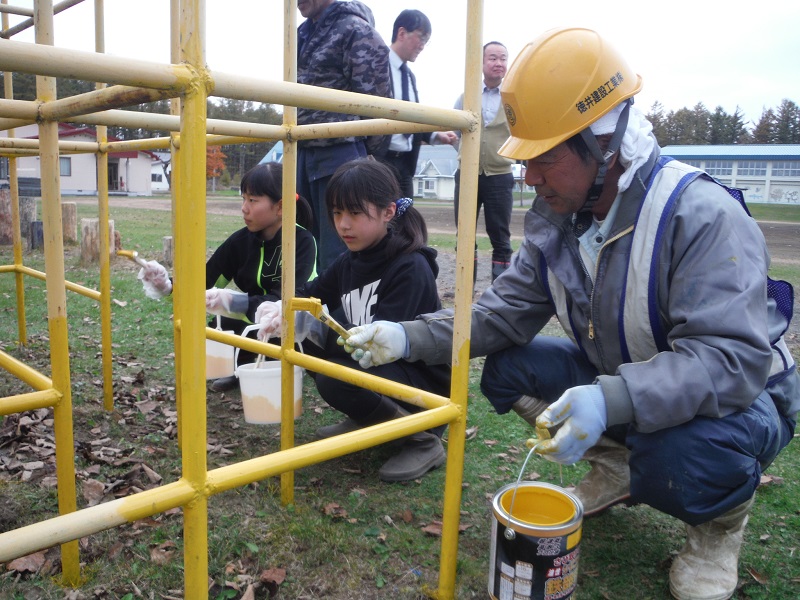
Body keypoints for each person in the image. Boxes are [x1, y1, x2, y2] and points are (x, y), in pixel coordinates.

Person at [340, 28, 799, 600]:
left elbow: (729, 360)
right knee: (508, 370)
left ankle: (717, 531)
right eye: (526, 160)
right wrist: (405, 337)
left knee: (680, 453)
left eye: (546, 158)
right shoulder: (559, 219)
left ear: (606, 143)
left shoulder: (698, 215)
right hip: (633, 383)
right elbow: (501, 315)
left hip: (743, 404)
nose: (529, 178)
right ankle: (616, 465)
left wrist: (611, 399)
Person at [255, 158, 449, 482]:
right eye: (336, 213)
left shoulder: (411, 268)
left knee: (336, 374)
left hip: (422, 383)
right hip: (374, 367)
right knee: (302, 343)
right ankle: (368, 419)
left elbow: (377, 346)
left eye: (355, 213)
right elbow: (311, 292)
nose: (343, 224)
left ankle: (423, 439)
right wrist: (280, 307)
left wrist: (314, 325)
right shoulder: (350, 260)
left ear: (388, 212)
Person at [138, 161, 318, 392]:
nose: (244, 208)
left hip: (290, 324)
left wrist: (233, 301)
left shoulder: (302, 242)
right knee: (219, 326)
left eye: (253, 200)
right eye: (243, 199)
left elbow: (285, 301)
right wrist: (167, 285)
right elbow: (205, 279)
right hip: (254, 318)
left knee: (259, 332)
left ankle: (278, 369)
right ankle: (238, 370)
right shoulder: (240, 241)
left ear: (280, 207)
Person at [296, 0, 391, 272]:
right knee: (301, 245)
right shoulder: (303, 34)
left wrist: (361, 153)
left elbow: (377, 104)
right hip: (302, 148)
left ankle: (341, 315)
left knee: (337, 249)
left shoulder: (355, 30)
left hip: (340, 151)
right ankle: (303, 311)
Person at [453, 41, 516, 284]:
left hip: (500, 175)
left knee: (500, 236)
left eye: (503, 58)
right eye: (492, 58)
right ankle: (464, 288)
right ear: (481, 63)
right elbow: (455, 130)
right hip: (467, 175)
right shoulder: (466, 96)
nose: (498, 63)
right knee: (464, 235)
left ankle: (499, 290)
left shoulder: (513, 98)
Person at [377, 9, 458, 197]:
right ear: (402, 33)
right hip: (380, 162)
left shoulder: (409, 76)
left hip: (405, 164)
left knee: (407, 222)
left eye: (426, 41)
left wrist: (434, 136)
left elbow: (410, 117)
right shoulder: (377, 67)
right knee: (381, 221)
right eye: (421, 37)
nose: (422, 45)